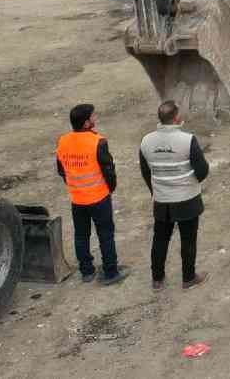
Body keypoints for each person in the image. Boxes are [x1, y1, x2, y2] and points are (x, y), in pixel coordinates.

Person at [139, 100, 211, 291]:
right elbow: (202, 170)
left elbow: (146, 172)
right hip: (187, 199)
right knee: (188, 239)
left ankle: (157, 279)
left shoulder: (146, 141)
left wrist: (156, 190)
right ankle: (188, 277)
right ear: (177, 117)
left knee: (160, 238)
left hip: (162, 200)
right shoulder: (187, 140)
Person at [55, 102, 127, 285]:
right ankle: (111, 272)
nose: (96, 118)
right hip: (98, 198)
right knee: (105, 234)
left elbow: (61, 170)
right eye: (93, 116)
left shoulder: (63, 141)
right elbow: (108, 170)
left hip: (77, 199)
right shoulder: (98, 142)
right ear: (86, 123)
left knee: (81, 234)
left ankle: (86, 271)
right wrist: (110, 188)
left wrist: (74, 185)